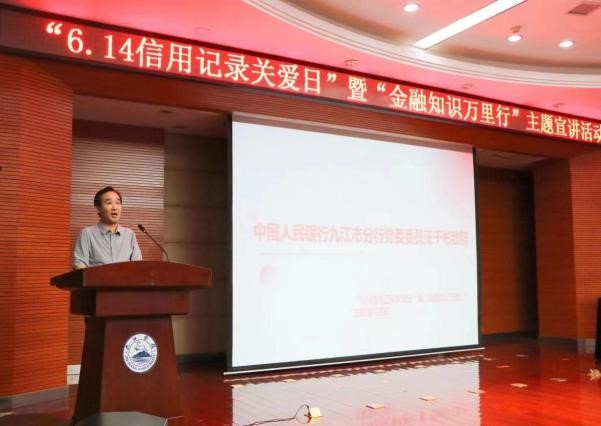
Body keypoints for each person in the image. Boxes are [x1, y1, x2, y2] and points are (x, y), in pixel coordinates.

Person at [73, 186, 142, 269]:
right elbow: (80, 264)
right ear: (98, 209)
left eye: (118, 203)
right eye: (109, 203)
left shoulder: (129, 235)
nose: (115, 207)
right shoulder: (87, 234)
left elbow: (138, 266)